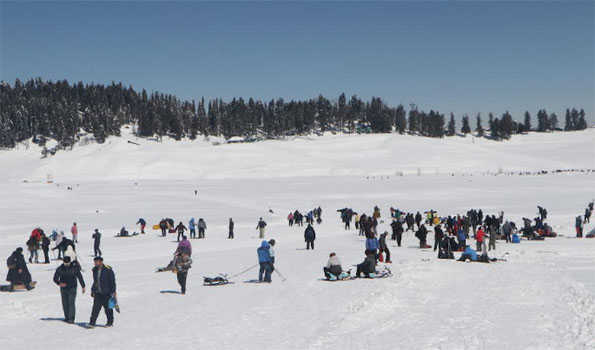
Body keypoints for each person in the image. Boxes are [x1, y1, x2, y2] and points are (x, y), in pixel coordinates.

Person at [53, 256, 85, 323]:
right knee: (65, 303)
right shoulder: (60, 268)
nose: (66, 264)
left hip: (72, 287)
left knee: (71, 303)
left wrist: (83, 286)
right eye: (65, 262)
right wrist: (59, 283)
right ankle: (67, 317)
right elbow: (55, 278)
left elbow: (80, 277)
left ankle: (71, 319)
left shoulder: (74, 268)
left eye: (67, 262)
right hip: (63, 288)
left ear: (70, 262)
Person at [89, 257, 116, 328]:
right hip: (98, 293)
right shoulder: (94, 270)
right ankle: (92, 323)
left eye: (96, 262)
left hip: (107, 293)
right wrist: (92, 290)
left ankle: (110, 322)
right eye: (94, 262)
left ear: (101, 262)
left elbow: (112, 281)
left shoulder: (108, 270)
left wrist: (113, 292)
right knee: (95, 309)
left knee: (108, 309)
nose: (95, 263)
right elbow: (95, 281)